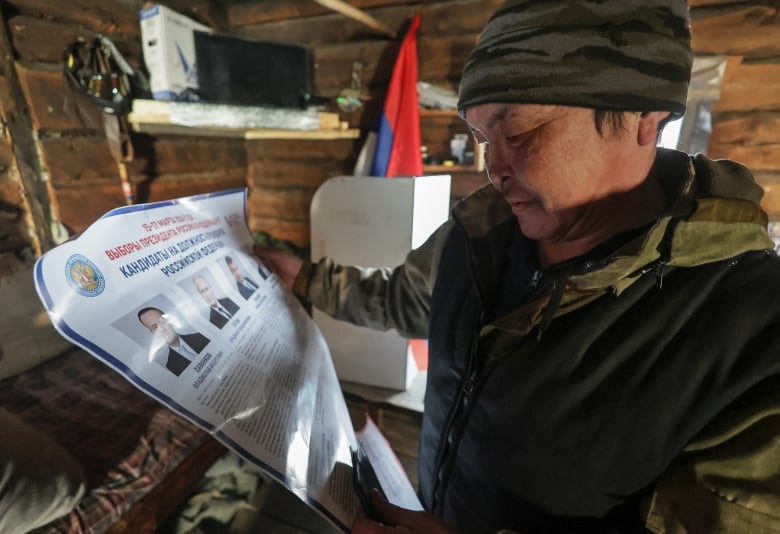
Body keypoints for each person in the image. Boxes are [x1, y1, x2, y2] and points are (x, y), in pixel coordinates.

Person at [255, 0, 780, 532]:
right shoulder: (481, 233)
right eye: (483, 138)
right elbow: (407, 302)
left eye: (520, 132)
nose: (495, 168)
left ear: (644, 115)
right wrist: (301, 276)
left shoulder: (754, 332)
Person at [138, 306, 209, 376]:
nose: (162, 329)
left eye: (162, 322)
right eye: (155, 327)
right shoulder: (171, 366)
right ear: (152, 332)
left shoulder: (201, 336)